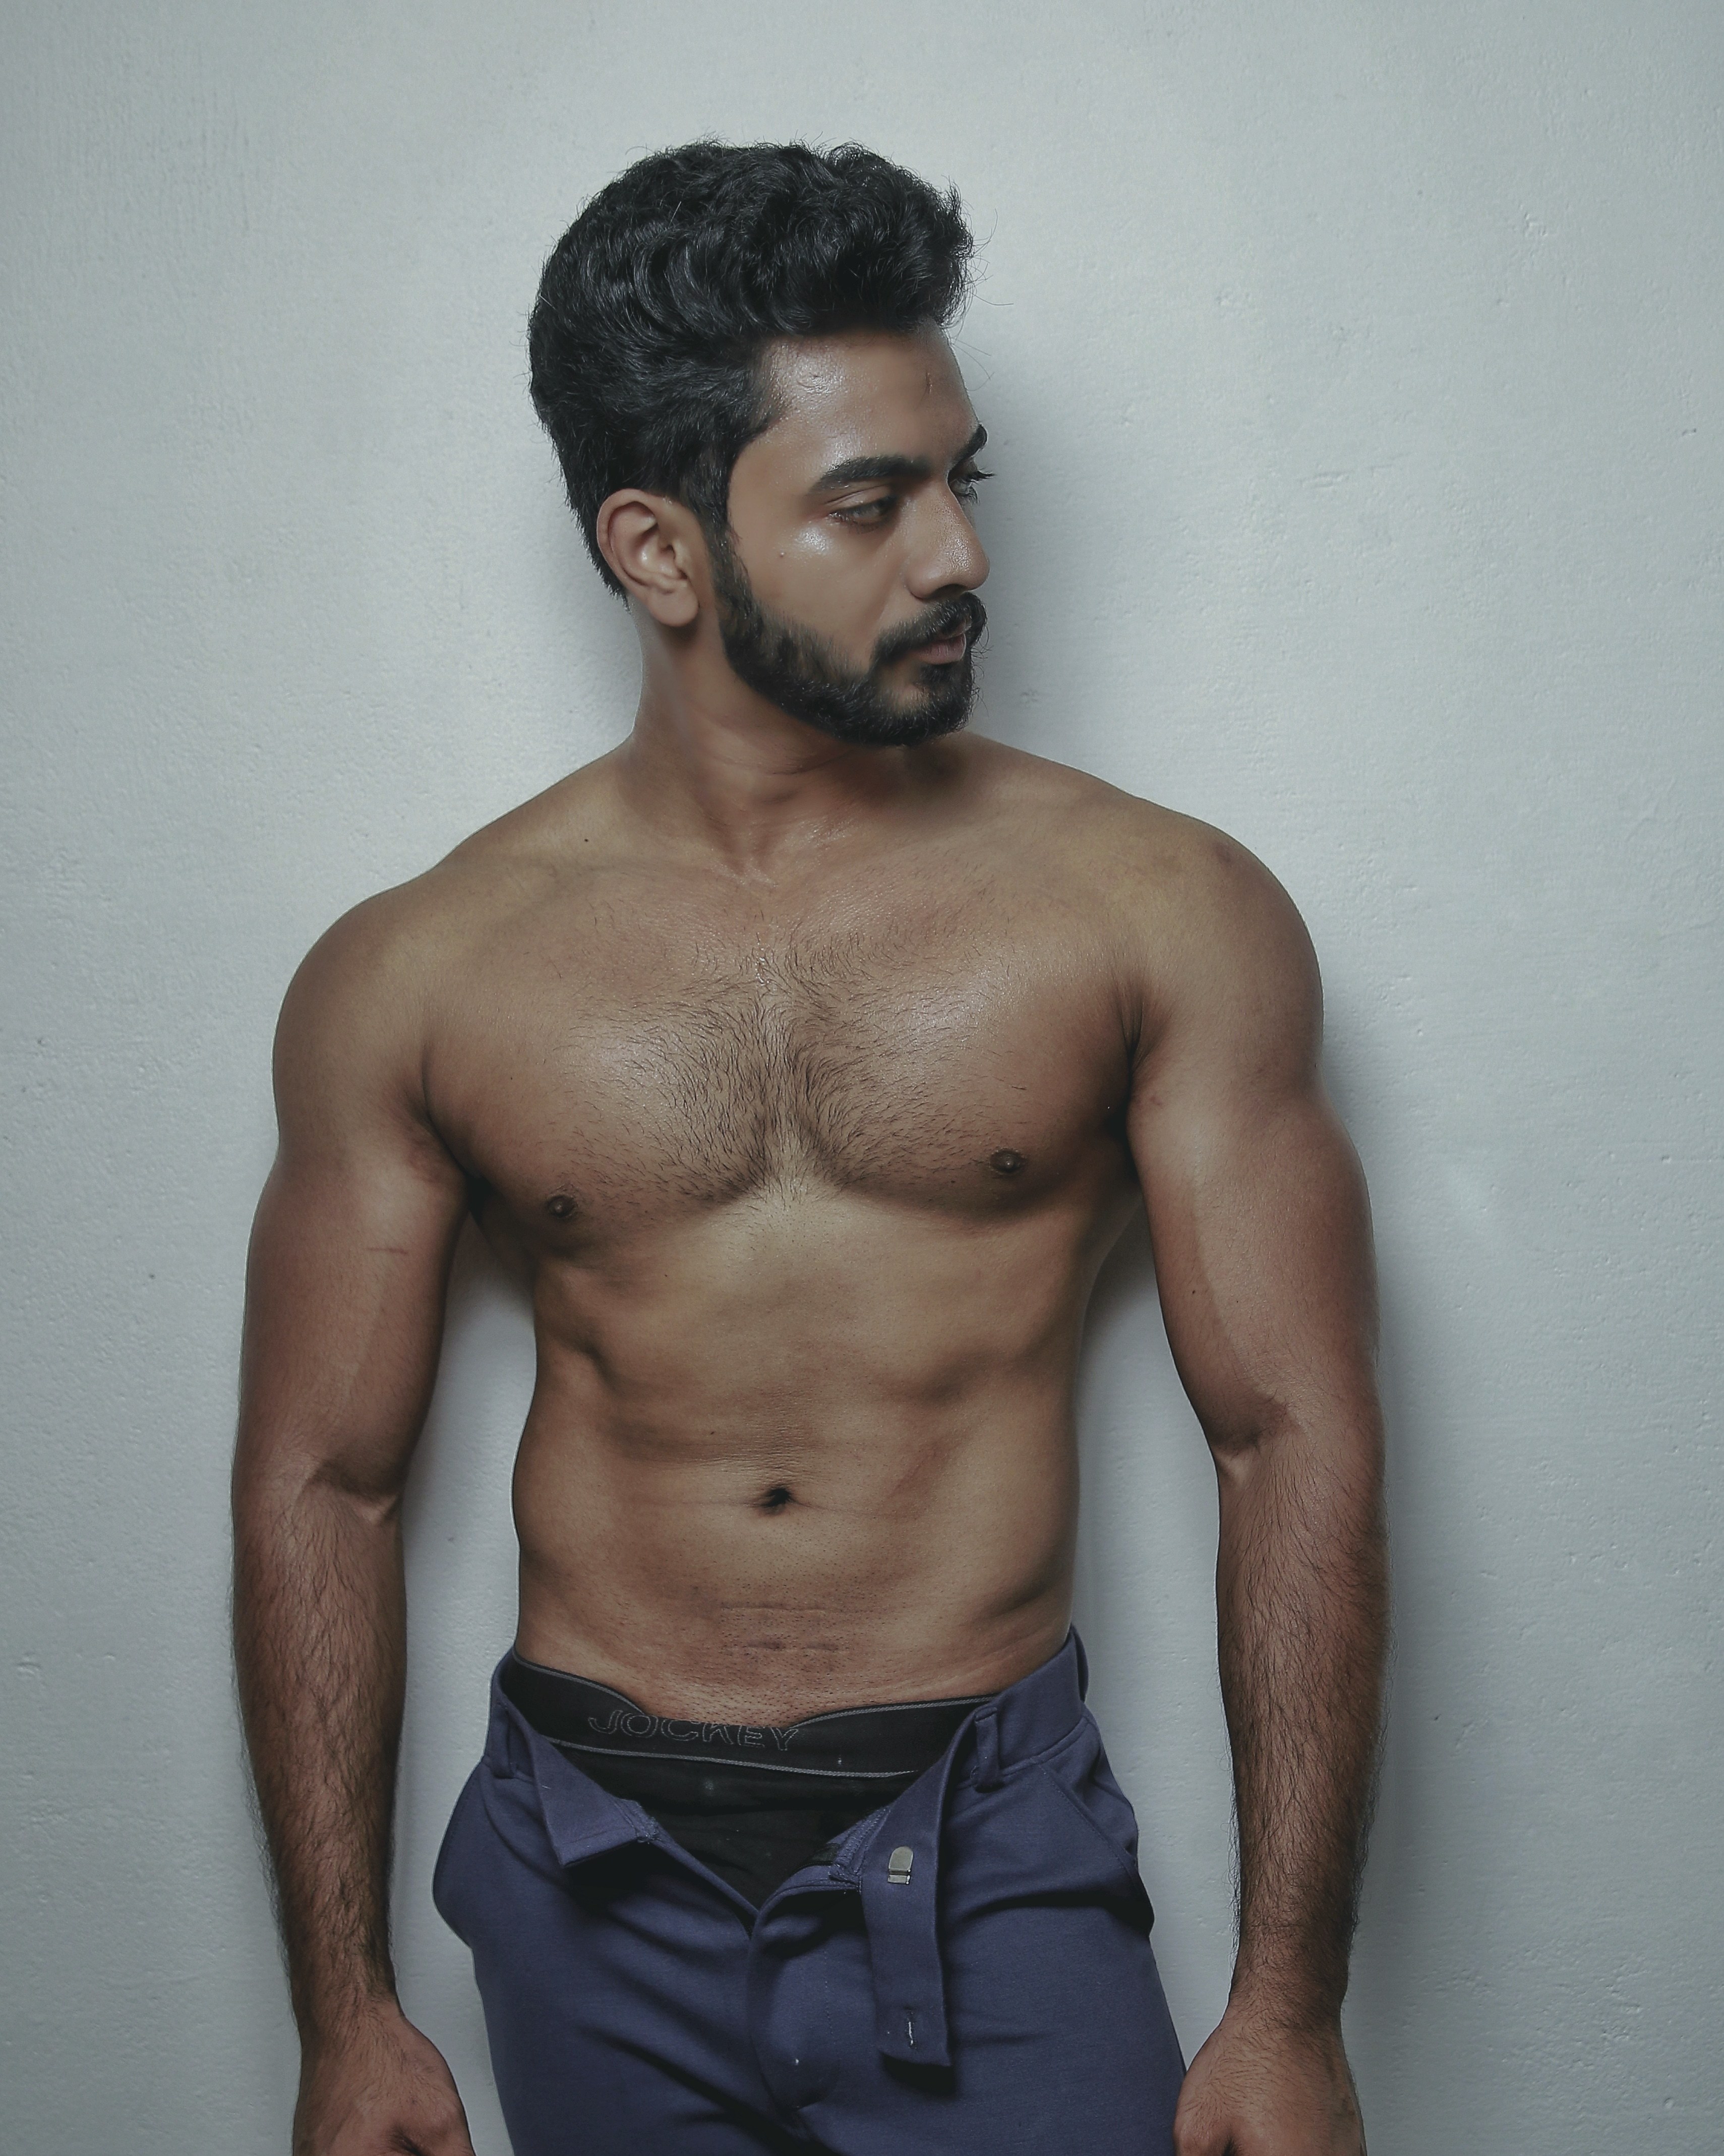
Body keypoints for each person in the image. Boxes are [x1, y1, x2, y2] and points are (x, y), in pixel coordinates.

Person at [232, 141, 1387, 2156]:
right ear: (658, 549)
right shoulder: (421, 970)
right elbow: (321, 1483)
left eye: (963, 479)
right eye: (873, 503)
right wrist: (340, 2014)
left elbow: (1292, 1435)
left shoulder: (1156, 912)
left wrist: (1289, 2005)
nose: (959, 554)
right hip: (584, 1863)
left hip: (990, 1846)